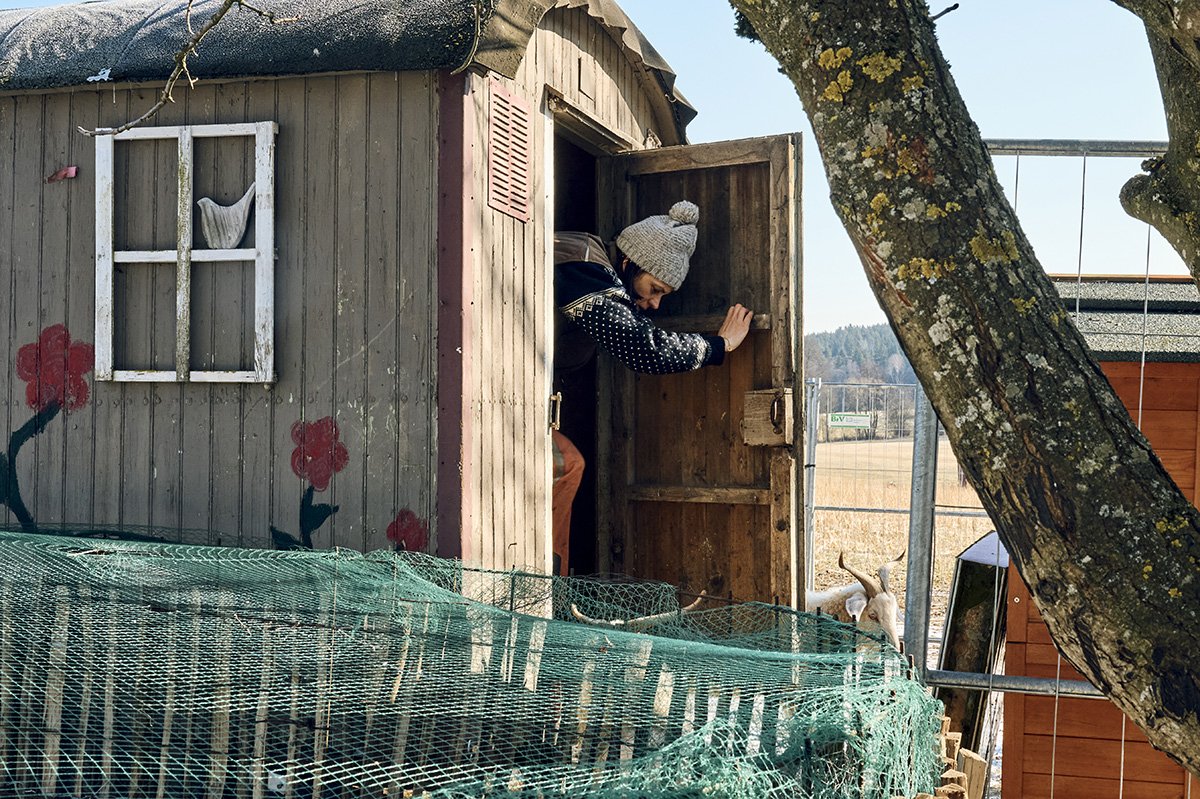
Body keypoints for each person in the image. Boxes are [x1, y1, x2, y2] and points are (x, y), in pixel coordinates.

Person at [552, 200, 753, 575]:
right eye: (654, 288)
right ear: (629, 263)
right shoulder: (583, 263)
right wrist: (719, 346)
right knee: (566, 466)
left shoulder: (598, 270)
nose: (655, 304)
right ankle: (545, 586)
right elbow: (644, 349)